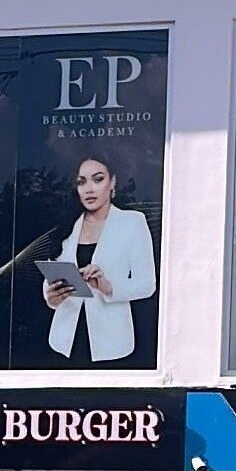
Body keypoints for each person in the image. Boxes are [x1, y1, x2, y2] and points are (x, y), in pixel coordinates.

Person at [42, 156, 157, 364]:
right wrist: (51, 297)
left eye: (98, 179)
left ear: (112, 182)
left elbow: (147, 284)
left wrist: (109, 287)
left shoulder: (132, 222)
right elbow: (51, 275)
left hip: (111, 344)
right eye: (81, 182)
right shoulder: (67, 226)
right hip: (64, 342)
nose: (89, 189)